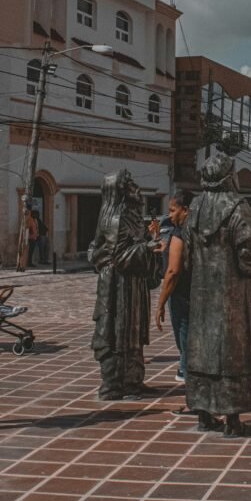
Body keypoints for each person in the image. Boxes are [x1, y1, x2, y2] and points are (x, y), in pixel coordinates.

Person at [184, 155, 251, 438]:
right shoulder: (238, 207)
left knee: (202, 352)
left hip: (201, 295)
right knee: (232, 352)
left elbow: (188, 253)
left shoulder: (195, 207)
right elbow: (249, 259)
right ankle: (233, 421)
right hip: (230, 295)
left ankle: (203, 414)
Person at [90, 169, 164, 401]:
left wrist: (148, 244)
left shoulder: (129, 213)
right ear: (121, 189)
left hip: (130, 284)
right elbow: (119, 257)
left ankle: (132, 382)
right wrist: (149, 248)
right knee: (118, 331)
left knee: (132, 332)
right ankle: (114, 385)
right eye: (130, 183)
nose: (136, 187)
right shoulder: (118, 217)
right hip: (119, 286)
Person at [155, 190, 194, 385]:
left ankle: (186, 370)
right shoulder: (197, 229)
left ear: (185, 210)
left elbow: (172, 271)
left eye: (172, 210)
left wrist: (161, 302)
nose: (170, 215)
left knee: (183, 330)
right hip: (196, 290)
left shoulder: (181, 232)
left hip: (181, 292)